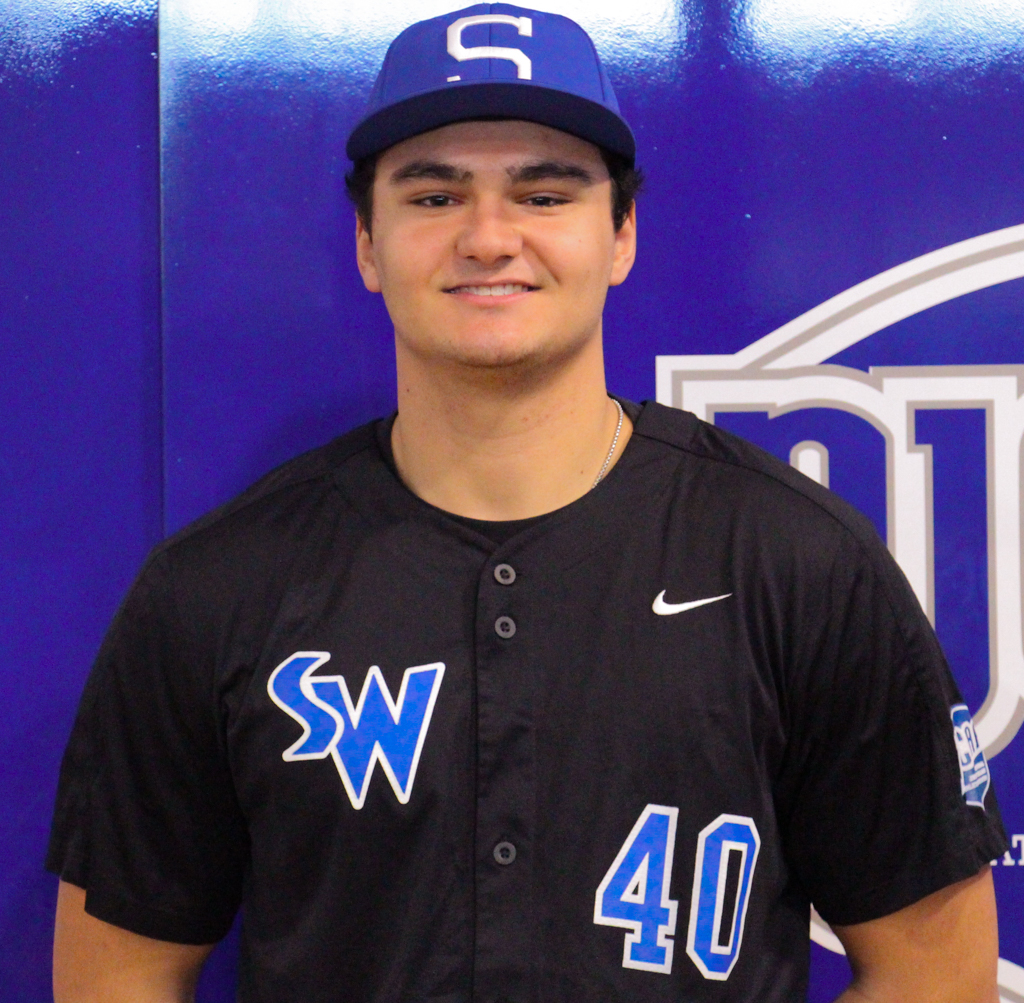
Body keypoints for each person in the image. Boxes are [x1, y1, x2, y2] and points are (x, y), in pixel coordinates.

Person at [49, 4, 1008, 1001]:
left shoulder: (797, 562)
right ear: (368, 242)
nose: (488, 237)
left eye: (544, 194)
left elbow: (936, 973)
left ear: (621, 234)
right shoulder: (217, 587)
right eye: (434, 196)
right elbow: (118, 976)